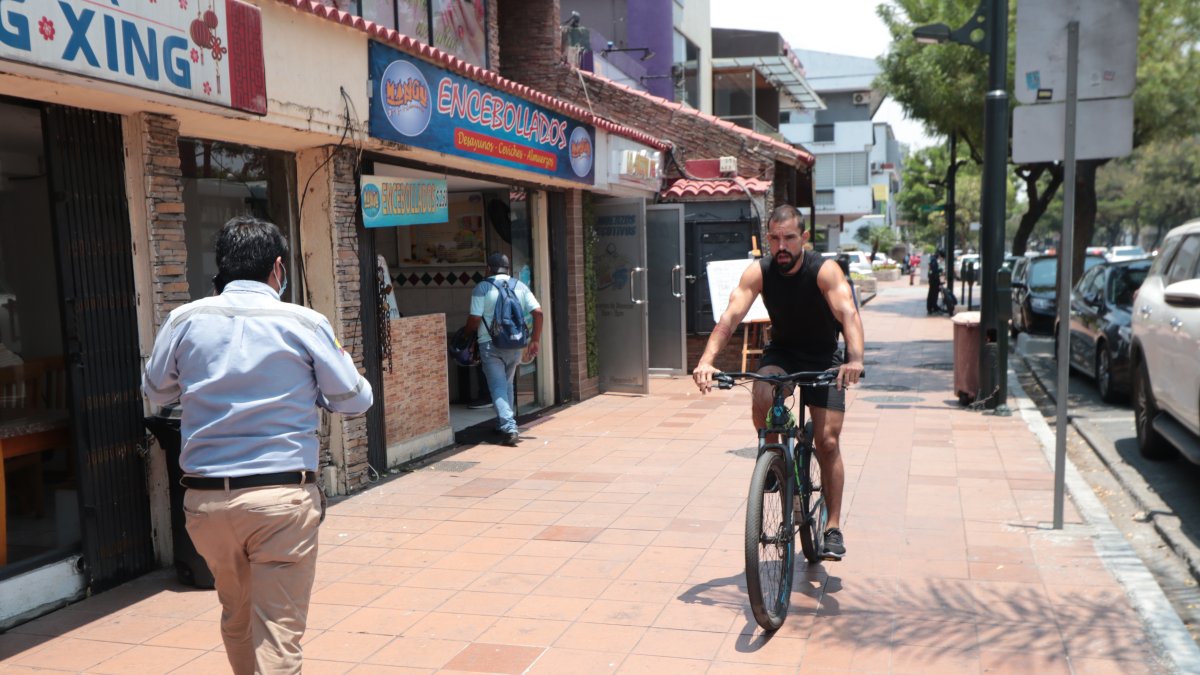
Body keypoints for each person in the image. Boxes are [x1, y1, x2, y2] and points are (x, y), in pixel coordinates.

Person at [142, 216, 373, 674]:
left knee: (237, 615)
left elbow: (155, 392)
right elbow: (354, 399)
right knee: (279, 634)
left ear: (221, 267)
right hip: (280, 502)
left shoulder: (183, 320)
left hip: (207, 505)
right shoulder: (304, 322)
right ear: (278, 268)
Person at [692, 205, 864, 560]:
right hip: (783, 351)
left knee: (827, 440)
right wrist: (707, 360)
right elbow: (730, 316)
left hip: (823, 356)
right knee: (761, 390)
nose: (781, 245)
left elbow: (848, 313)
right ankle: (772, 456)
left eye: (789, 238)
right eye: (774, 238)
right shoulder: (761, 271)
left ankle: (832, 526)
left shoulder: (824, 270)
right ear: (767, 238)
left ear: (803, 238)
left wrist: (855, 359)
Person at [461, 252, 542, 446]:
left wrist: (465, 335)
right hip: (515, 344)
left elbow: (475, 319)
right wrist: (535, 340)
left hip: (491, 344)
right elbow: (538, 312)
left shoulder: (482, 288)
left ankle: (509, 427)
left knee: (497, 387)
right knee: (506, 383)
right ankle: (502, 421)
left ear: (488, 268)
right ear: (507, 268)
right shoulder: (520, 286)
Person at [927, 250, 944, 315]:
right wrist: (940, 270)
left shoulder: (933, 258)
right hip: (934, 280)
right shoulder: (934, 260)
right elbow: (934, 271)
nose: (941, 259)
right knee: (933, 294)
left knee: (933, 293)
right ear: (939, 255)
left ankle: (933, 306)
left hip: (932, 279)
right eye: (941, 257)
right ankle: (931, 307)